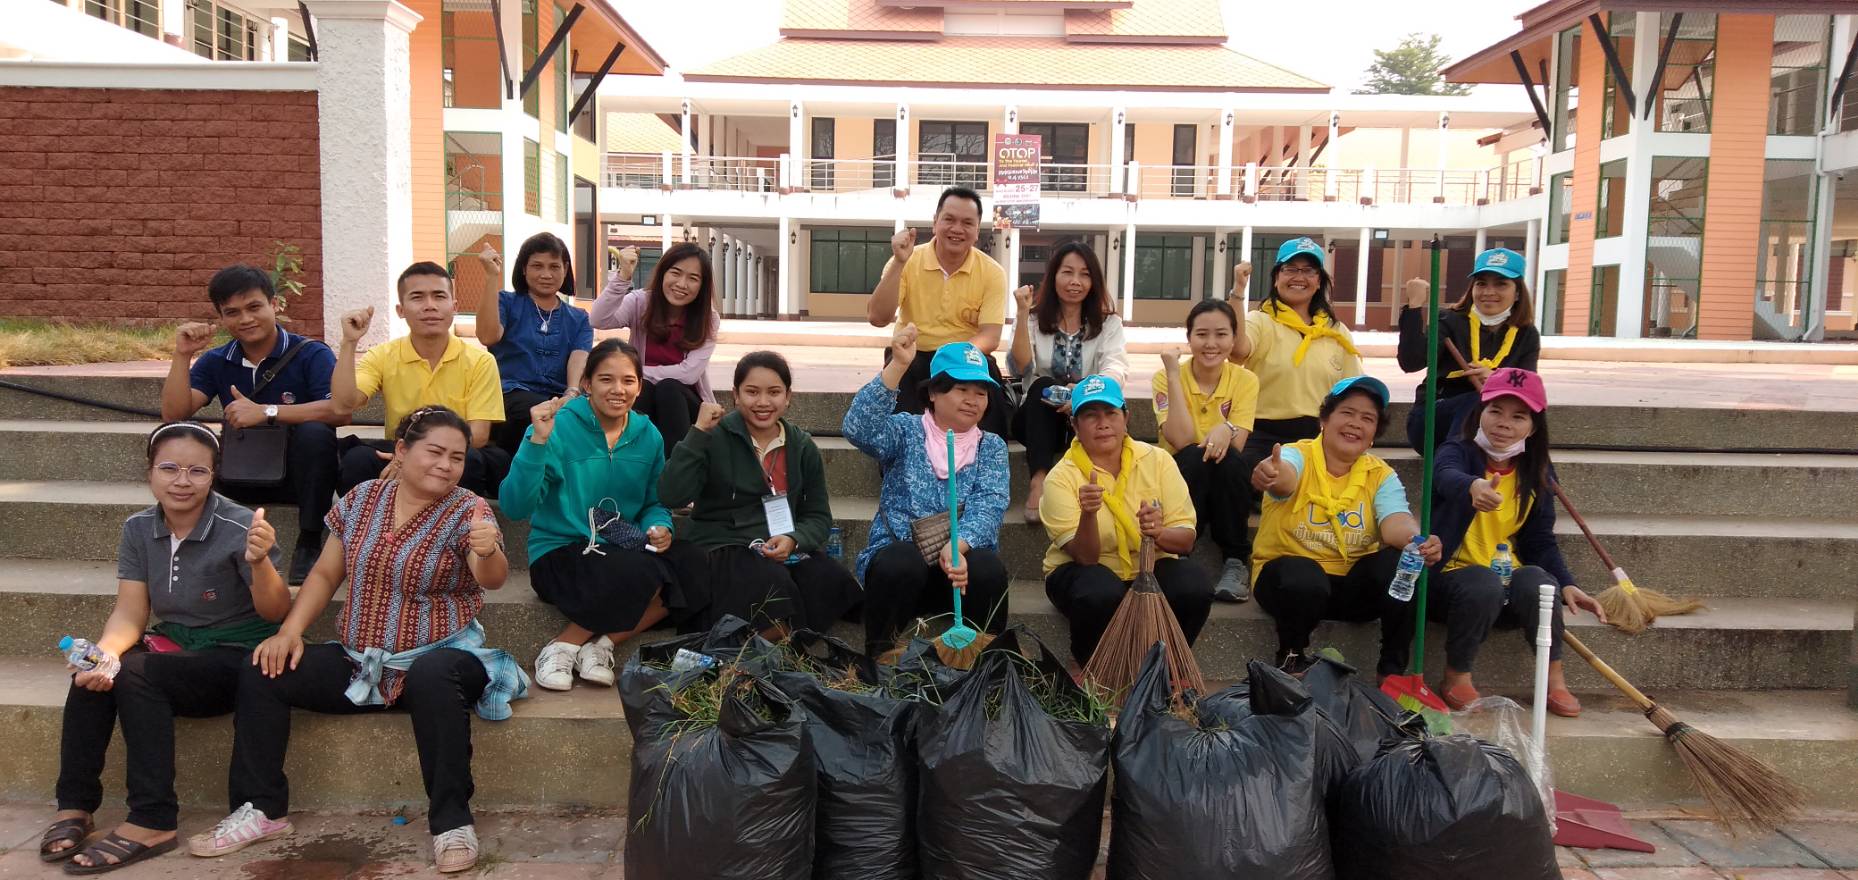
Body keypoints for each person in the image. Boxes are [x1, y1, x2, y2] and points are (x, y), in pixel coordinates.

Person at [207, 406, 526, 874]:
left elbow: (490, 578)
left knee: (434, 675)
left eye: (456, 458)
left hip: (441, 661)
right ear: (402, 450)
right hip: (361, 662)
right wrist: (290, 631)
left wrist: (488, 549)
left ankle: (452, 822)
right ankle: (261, 809)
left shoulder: (468, 509)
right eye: (435, 452)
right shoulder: (362, 498)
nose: (445, 465)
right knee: (263, 668)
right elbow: (325, 574)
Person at [40, 423, 287, 873]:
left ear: (214, 475)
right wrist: (105, 654)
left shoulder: (240, 526)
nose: (182, 481)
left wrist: (260, 563)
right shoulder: (138, 528)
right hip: (176, 648)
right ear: (150, 472)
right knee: (93, 673)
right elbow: (130, 613)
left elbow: (276, 612)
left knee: (136, 672)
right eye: (169, 468)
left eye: (197, 471)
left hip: (239, 657)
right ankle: (74, 804)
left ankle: (153, 818)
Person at [499, 339, 681, 690]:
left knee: (690, 566)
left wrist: (659, 526)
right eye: (606, 379)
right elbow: (514, 507)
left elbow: (653, 502)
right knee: (640, 571)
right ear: (586, 384)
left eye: (628, 381)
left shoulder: (649, 436)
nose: (618, 389)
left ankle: (601, 645)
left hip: (620, 548)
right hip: (559, 552)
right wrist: (537, 443)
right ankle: (562, 646)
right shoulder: (557, 427)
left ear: (640, 387)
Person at [1423, 368, 1603, 717]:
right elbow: (1444, 475)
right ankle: (1456, 676)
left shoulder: (1537, 470)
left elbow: (1539, 539)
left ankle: (1553, 680)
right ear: (1480, 412)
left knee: (1539, 582)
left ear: (1533, 427)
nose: (1504, 423)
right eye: (1495, 411)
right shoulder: (1457, 450)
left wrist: (1566, 582)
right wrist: (1472, 486)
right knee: (1481, 582)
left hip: (1505, 583)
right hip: (1451, 585)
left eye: (1518, 416)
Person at [1249, 376, 1442, 676]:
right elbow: (1284, 477)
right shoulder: (1296, 454)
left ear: (1375, 433)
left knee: (1403, 560)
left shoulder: (1380, 474)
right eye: (1347, 412)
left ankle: (1391, 672)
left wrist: (1418, 541)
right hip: (1289, 585)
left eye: (1367, 418)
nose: (1356, 423)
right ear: (1324, 419)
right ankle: (1291, 659)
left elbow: (1395, 522)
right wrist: (1272, 474)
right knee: (1304, 576)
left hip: (1349, 588)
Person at [660, 350, 862, 638]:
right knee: (771, 583)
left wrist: (794, 539)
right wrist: (698, 431)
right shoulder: (713, 436)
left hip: (778, 545)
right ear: (736, 395)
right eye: (752, 392)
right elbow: (671, 495)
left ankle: (760, 647)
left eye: (774, 392)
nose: (763, 402)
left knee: (830, 580)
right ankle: (736, 651)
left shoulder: (801, 446)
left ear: (788, 396)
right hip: (724, 545)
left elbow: (817, 516)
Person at [161, 264, 342, 584]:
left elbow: (339, 411)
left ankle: (310, 542)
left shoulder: (311, 354)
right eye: (232, 312)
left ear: (275, 305)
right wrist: (182, 355)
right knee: (180, 440)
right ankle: (185, 543)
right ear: (221, 317)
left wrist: (267, 412)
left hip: (301, 477)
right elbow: (174, 414)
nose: (245, 319)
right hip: (241, 472)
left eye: (254, 307)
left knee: (315, 434)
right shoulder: (217, 360)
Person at [844, 327, 1011, 657]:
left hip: (957, 572)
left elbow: (990, 505)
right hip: (903, 569)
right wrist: (897, 366)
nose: (972, 400)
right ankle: (880, 658)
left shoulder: (991, 446)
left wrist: (958, 545)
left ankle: (984, 663)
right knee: (899, 561)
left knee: (988, 569)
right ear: (934, 392)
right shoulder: (906, 430)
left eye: (981, 393)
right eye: (961, 389)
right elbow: (859, 429)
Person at [1039, 375, 1210, 667]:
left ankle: (1168, 668)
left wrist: (1158, 532)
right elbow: (1085, 557)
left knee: (1194, 585)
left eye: (1111, 413)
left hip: (1149, 564)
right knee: (1100, 591)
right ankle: (1092, 668)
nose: (1103, 423)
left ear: (1126, 418)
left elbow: (1186, 541)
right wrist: (1088, 515)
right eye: (1090, 416)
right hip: (1083, 570)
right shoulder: (1061, 477)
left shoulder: (1158, 460)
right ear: (1075, 425)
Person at [330, 263, 507, 498]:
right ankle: (373, 523)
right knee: (358, 461)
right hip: (400, 449)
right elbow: (343, 405)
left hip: (450, 452)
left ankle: (452, 522)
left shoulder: (480, 361)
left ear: (454, 307)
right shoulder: (382, 355)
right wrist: (349, 343)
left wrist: (415, 458)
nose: (430, 305)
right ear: (401, 310)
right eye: (418, 297)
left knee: (470, 460)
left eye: (439, 296)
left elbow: (478, 434)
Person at [1228, 237, 1363, 530]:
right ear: (1277, 277)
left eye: (1308, 270)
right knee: (1245, 475)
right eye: (1290, 269)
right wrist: (1238, 291)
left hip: (1317, 436)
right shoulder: (1260, 320)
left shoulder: (1335, 330)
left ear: (1319, 281)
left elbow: (1354, 390)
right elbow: (1237, 351)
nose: (1299, 277)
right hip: (1263, 434)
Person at [864, 186, 1015, 438]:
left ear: (977, 230)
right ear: (935, 223)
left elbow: (989, 337)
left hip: (964, 356)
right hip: (914, 353)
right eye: (949, 219)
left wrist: (952, 359)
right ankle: (901, 457)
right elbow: (877, 318)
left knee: (987, 376)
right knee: (904, 376)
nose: (957, 229)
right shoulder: (906, 260)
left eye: (967, 223)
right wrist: (899, 262)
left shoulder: (992, 272)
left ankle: (987, 457)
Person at [1007, 240, 1129, 524]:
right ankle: (1039, 481)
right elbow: (1020, 367)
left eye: (1085, 274)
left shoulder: (1108, 324)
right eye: (1067, 272)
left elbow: (1116, 368)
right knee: (1042, 384)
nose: (1076, 281)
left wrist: (1083, 393)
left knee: (1099, 400)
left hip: (1086, 414)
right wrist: (1023, 314)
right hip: (1037, 419)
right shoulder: (1033, 319)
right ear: (1053, 276)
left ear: (1094, 282)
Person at [1153, 300, 1260, 603]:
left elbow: (1236, 445)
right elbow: (1180, 438)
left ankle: (1235, 561)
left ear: (1234, 339)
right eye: (1201, 334)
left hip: (1224, 479)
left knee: (1232, 461)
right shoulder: (1165, 376)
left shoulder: (1246, 380)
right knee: (1191, 456)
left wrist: (1227, 428)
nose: (1211, 344)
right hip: (1181, 477)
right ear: (1189, 338)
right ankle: (1180, 556)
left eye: (1221, 334)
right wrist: (1173, 374)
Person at [1397, 247, 1541, 452]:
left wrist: (1497, 379)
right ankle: (1455, 465)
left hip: (1494, 424)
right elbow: (1410, 362)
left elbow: (1527, 388)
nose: (1489, 292)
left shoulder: (1527, 333)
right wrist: (1414, 305)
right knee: (1475, 402)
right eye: (1481, 284)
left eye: (1501, 284)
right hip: (1433, 421)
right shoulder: (1448, 320)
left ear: (1517, 292)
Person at [589, 241, 721, 458]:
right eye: (675, 273)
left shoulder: (708, 318)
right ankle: (630, 462)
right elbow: (598, 319)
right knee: (644, 389)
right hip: (645, 396)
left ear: (702, 286)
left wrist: (634, 374)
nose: (682, 284)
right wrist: (622, 277)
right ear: (662, 273)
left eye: (693, 278)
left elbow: (689, 373)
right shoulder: (640, 302)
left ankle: (676, 468)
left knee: (668, 388)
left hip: (686, 404)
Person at [473, 233, 595, 456]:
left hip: (559, 397)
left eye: (554, 267)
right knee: (534, 411)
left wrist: (571, 393)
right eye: (537, 266)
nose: (546, 274)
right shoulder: (506, 302)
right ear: (523, 269)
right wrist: (491, 277)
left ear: (565, 269)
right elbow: (487, 337)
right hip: (511, 394)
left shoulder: (579, 318)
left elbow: (579, 358)